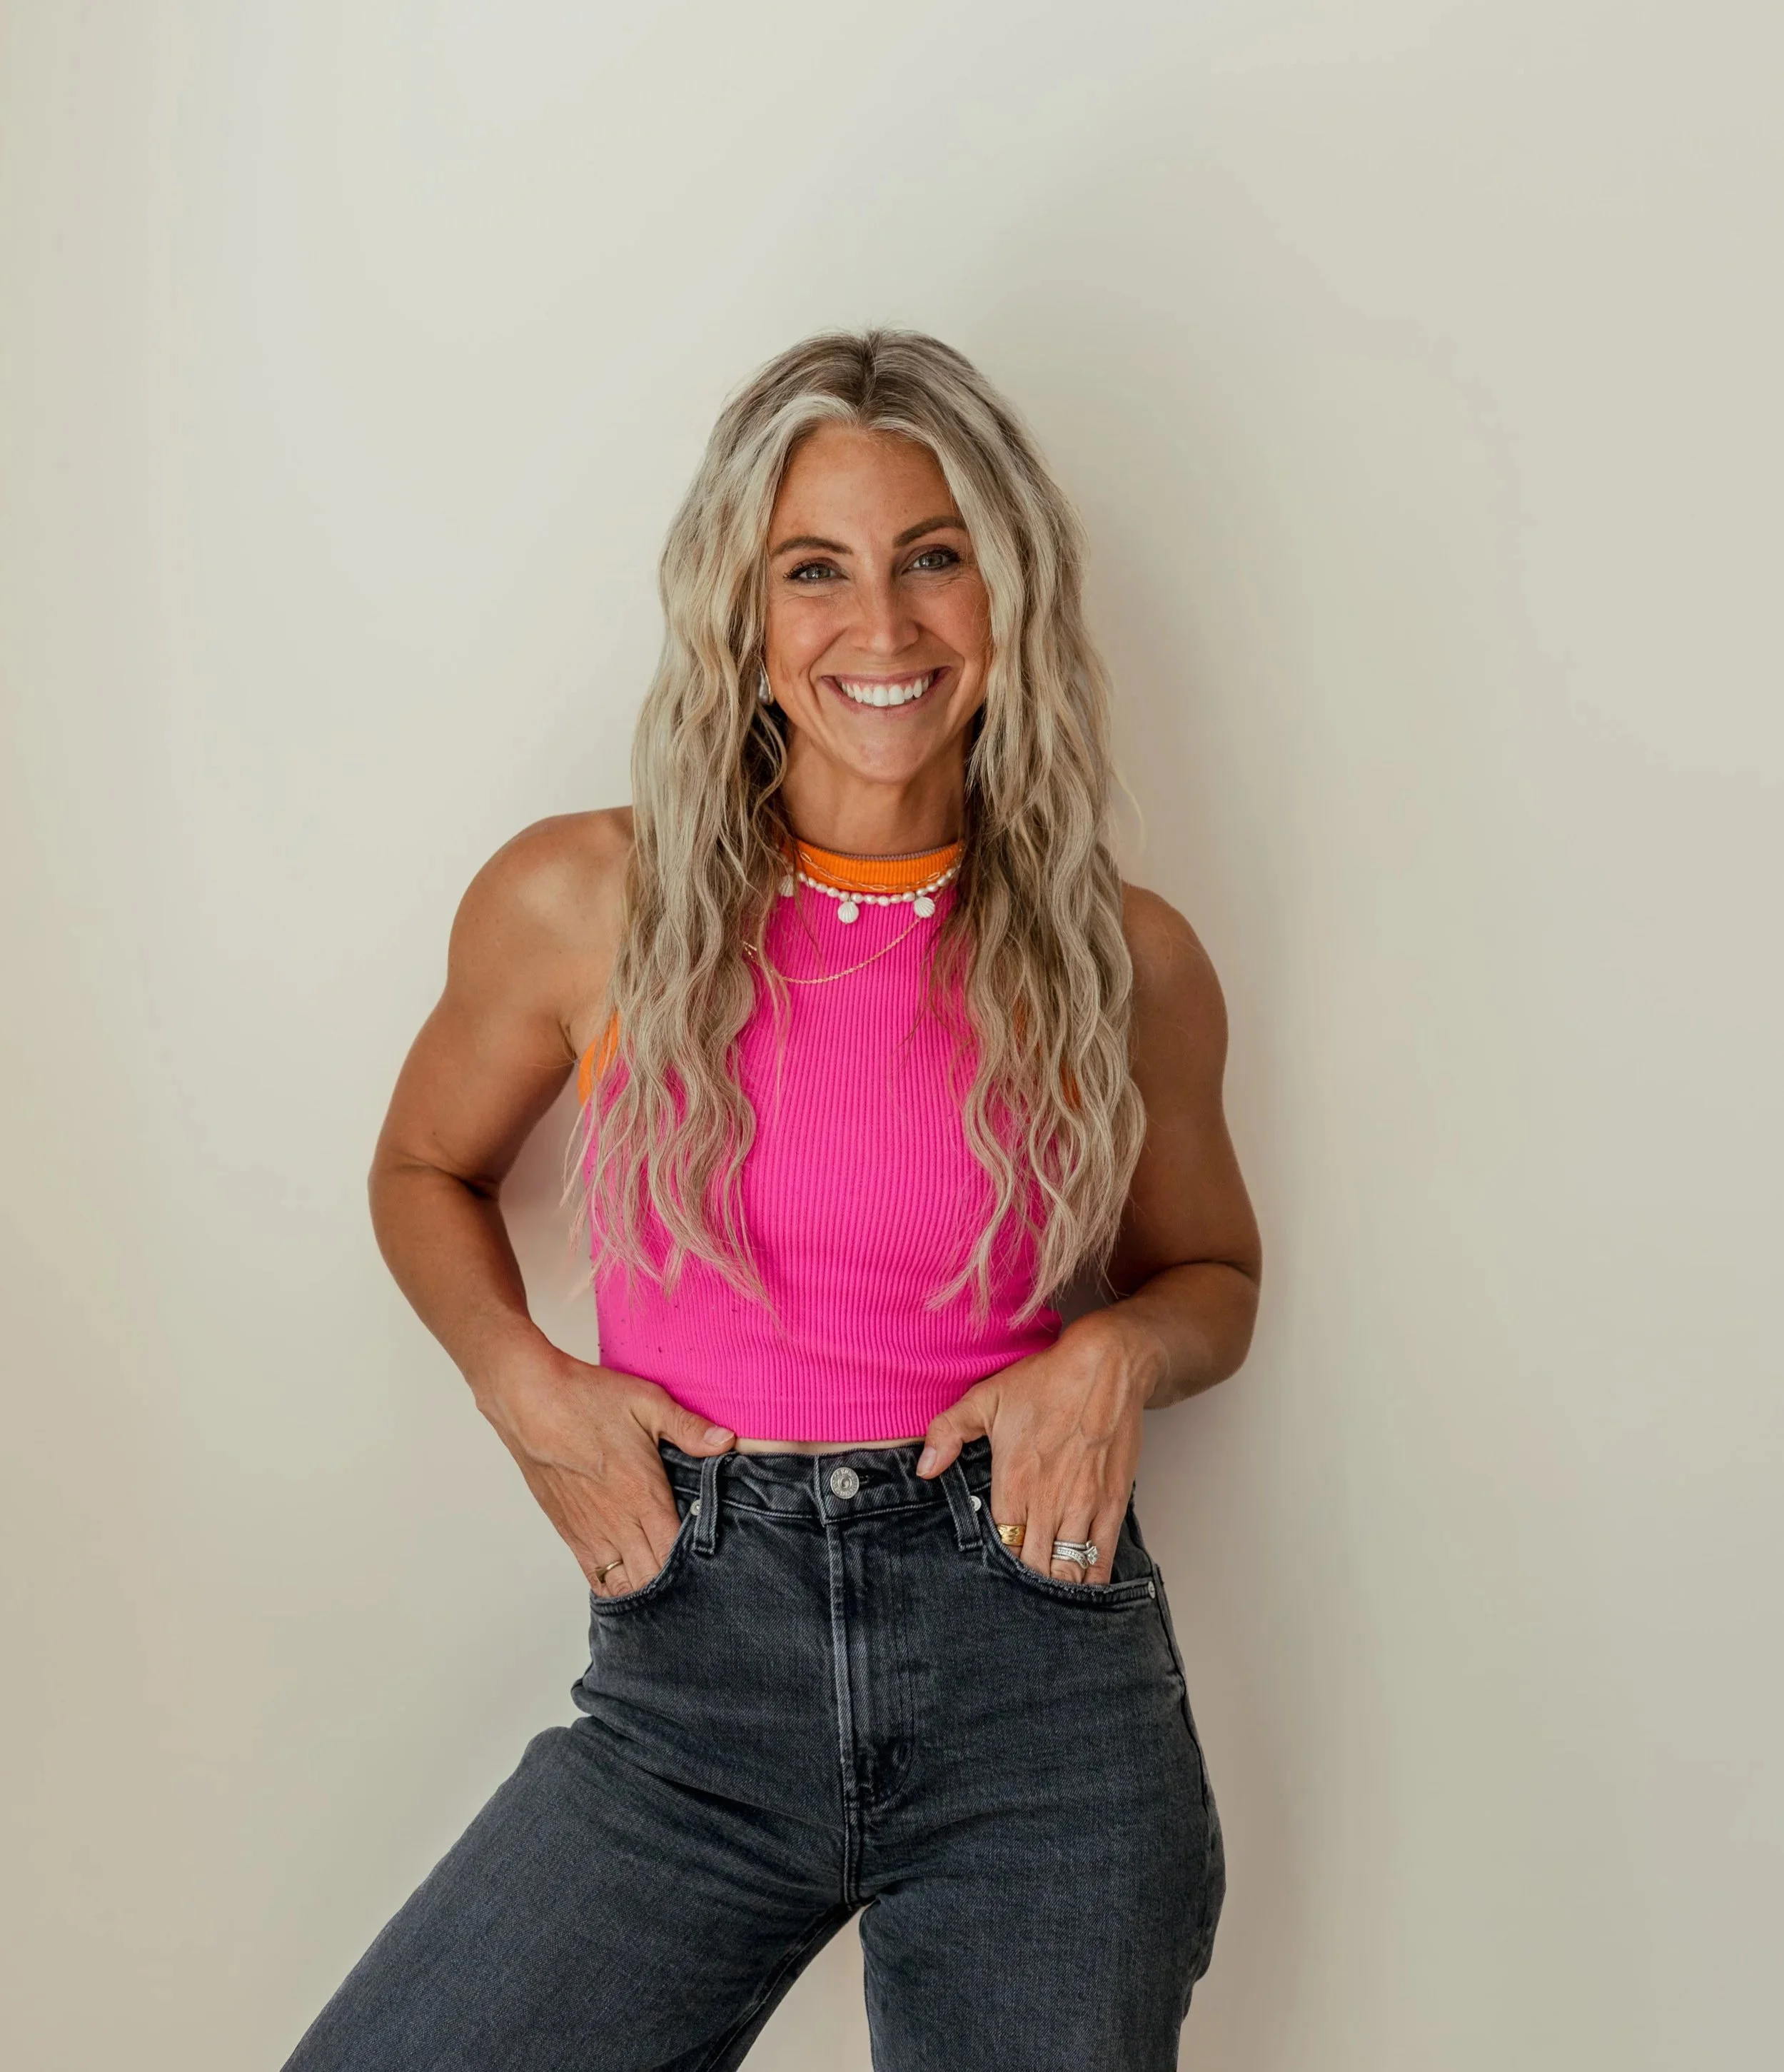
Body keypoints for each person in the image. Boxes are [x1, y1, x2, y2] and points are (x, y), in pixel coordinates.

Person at [284, 328, 1261, 2071]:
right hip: (692, 1684)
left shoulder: (1131, 956)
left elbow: (1212, 1271)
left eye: (934, 558)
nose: (879, 628)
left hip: (1038, 1676)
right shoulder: (586, 899)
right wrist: (521, 1379)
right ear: (742, 613)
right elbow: (420, 1166)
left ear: (1008, 590)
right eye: (815, 570)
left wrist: (1115, 1351)